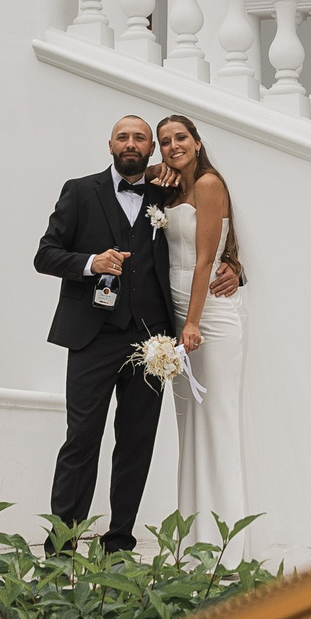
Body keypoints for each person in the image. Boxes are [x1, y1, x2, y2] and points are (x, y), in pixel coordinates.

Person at [32, 114, 239, 554]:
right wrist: (91, 263)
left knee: (136, 444)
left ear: (150, 151)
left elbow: (201, 245)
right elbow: (45, 255)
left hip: (152, 341)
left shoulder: (167, 192)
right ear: (110, 145)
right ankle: (61, 548)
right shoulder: (80, 191)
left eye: (140, 138)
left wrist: (234, 267)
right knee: (81, 440)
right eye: (123, 137)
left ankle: (119, 544)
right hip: (91, 337)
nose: (131, 143)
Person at [156, 112, 250, 565]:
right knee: (189, 426)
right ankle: (194, 545)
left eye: (181, 137)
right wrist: (161, 168)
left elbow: (206, 260)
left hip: (208, 315)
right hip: (176, 315)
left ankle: (227, 551)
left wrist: (192, 323)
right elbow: (139, 173)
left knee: (217, 423)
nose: (173, 145)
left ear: (197, 141)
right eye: (165, 141)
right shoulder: (171, 186)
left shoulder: (210, 185)